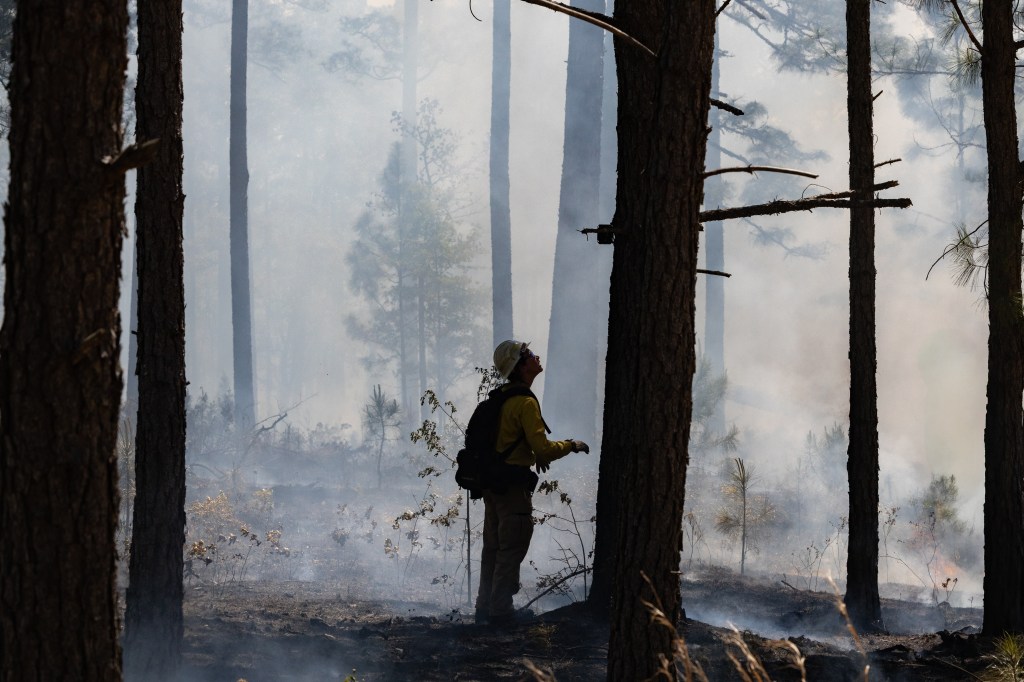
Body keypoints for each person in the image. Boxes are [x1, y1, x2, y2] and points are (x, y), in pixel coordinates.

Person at [475, 339, 590, 626]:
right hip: (512, 489)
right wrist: (572, 445)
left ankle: (484, 609)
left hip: (493, 486)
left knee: (493, 548)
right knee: (511, 547)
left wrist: (529, 451)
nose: (536, 357)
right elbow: (545, 450)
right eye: (528, 355)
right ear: (520, 366)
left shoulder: (502, 398)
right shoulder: (524, 402)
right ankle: (500, 613)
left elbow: (508, 440)